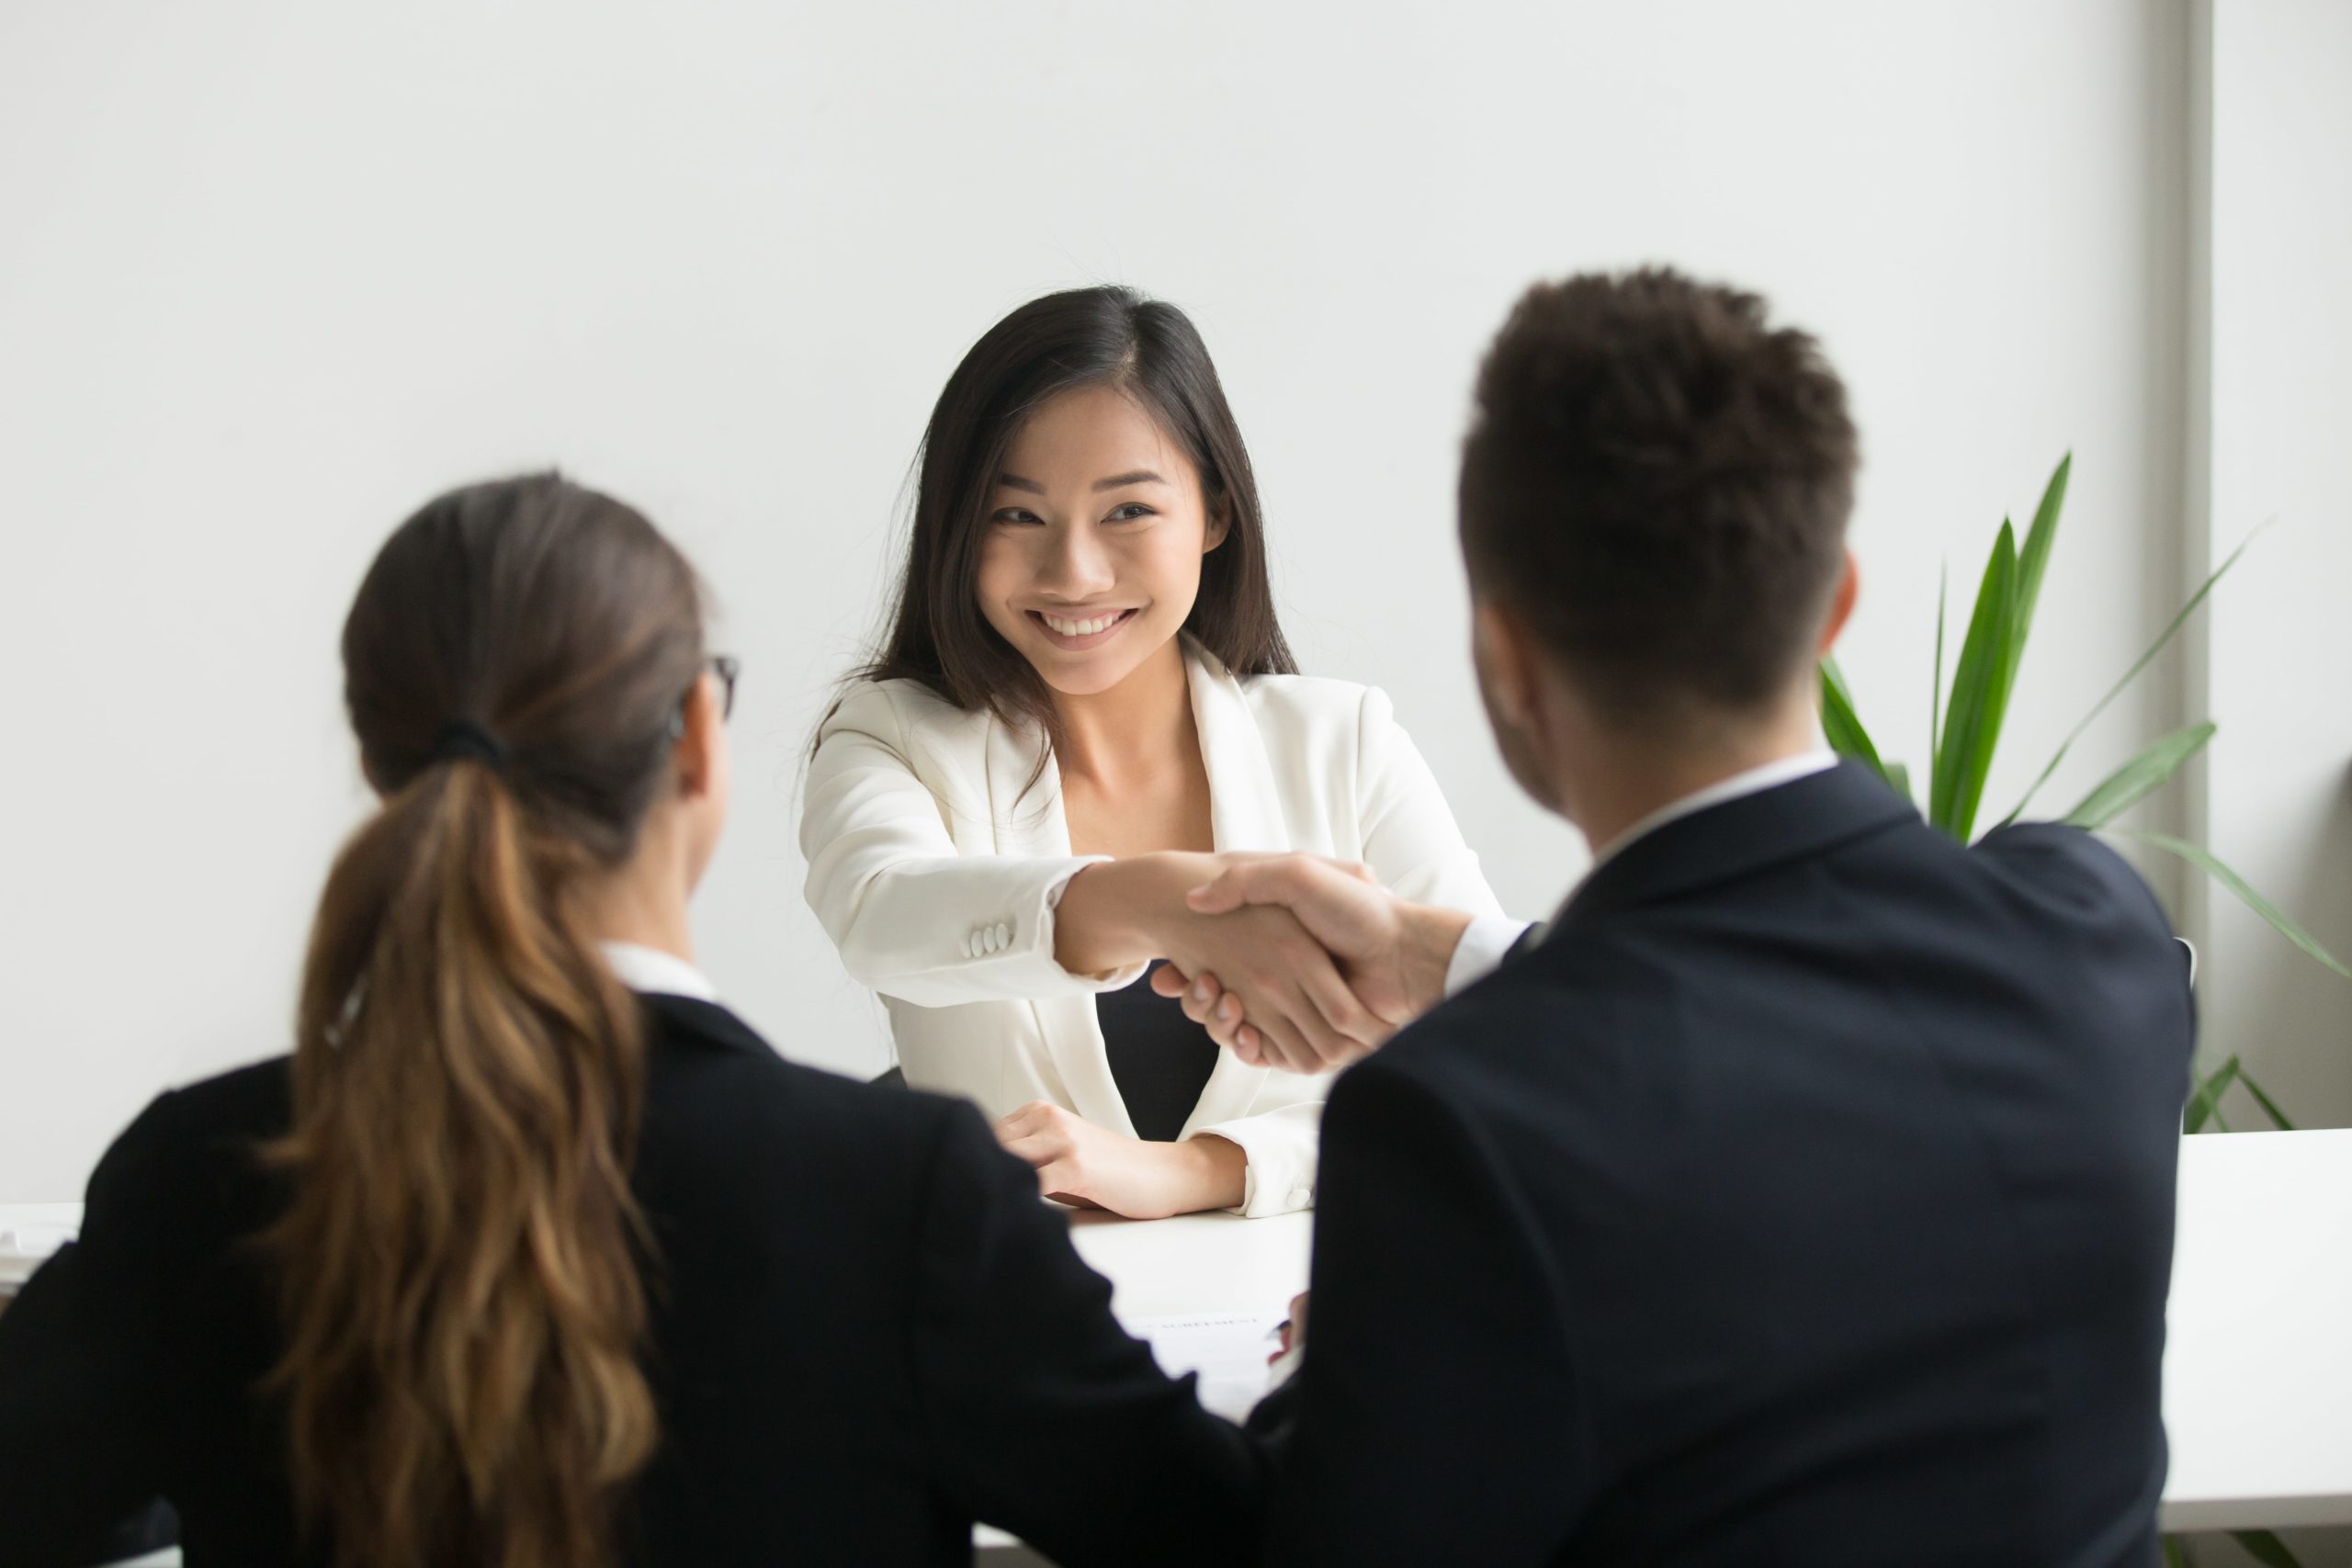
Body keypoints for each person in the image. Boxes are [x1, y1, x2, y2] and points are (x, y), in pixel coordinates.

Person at [0, 476, 1261, 1568]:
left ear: (387, 767)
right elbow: (1250, 1537)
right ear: (700, 745)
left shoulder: (198, 1181)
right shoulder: (896, 1198)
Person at [1171, 269, 2196, 1563]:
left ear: (1505, 657)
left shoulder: (1460, 1126)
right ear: (1834, 604)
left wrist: (1364, 1356)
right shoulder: (2098, 937)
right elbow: (1804, 1103)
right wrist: (1465, 962)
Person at [802, 286, 1501, 1219]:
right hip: (1017, 1321)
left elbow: (1499, 1062)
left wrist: (1208, 1171)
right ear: (957, 529)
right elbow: (883, 920)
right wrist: (1159, 905)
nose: (1074, 573)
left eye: (1127, 512)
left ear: (1213, 513)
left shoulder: (1344, 741)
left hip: (1307, 1318)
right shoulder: (891, 738)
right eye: (1016, 517)